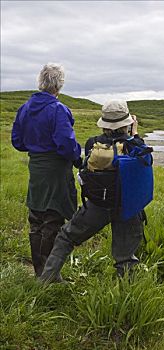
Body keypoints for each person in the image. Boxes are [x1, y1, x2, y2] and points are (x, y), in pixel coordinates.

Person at [40, 100, 151, 282]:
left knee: (66, 237)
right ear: (127, 123)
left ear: (104, 123)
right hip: (128, 208)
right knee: (125, 258)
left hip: (97, 205)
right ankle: (128, 297)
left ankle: (47, 280)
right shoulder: (135, 145)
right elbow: (146, 162)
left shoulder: (92, 143)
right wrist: (135, 134)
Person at [11, 63, 82, 278]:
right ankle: (48, 275)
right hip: (56, 169)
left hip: (37, 167)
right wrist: (78, 159)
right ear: (59, 84)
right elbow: (66, 144)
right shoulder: (58, 109)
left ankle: (40, 271)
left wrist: (36, 148)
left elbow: (17, 141)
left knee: (37, 217)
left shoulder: (25, 107)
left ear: (41, 82)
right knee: (53, 217)